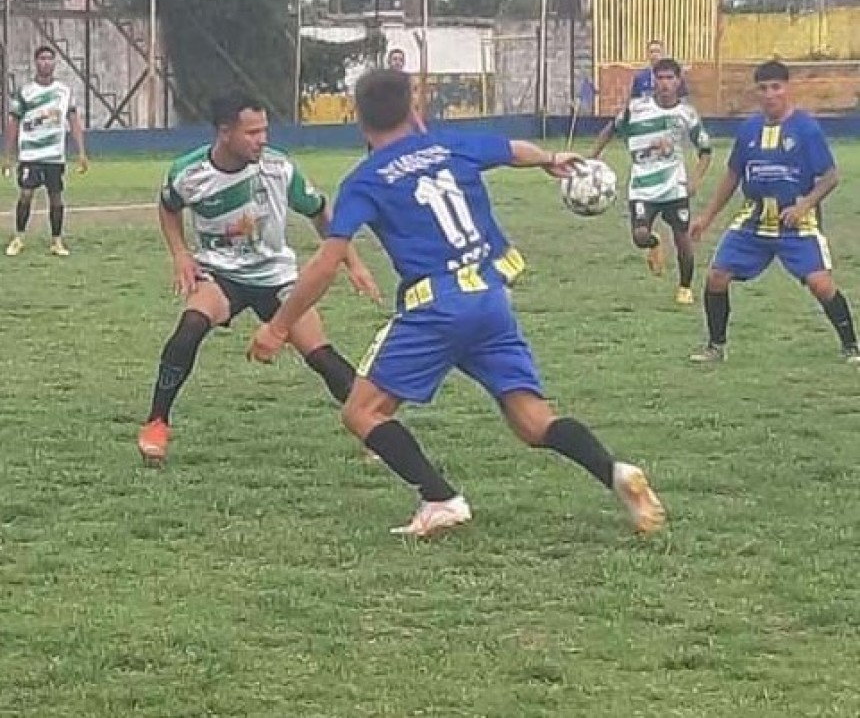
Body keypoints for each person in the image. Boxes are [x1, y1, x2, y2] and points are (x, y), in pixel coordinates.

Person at [248, 69, 666, 538]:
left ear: (359, 120)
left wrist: (279, 326)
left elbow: (325, 264)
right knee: (533, 421)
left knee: (361, 412)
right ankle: (615, 471)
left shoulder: (365, 180)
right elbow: (511, 151)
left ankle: (440, 499)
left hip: (438, 308)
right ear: (414, 112)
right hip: (491, 298)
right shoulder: (451, 144)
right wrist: (550, 158)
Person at [137, 92, 382, 466]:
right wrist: (181, 254)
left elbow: (321, 213)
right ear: (224, 132)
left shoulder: (279, 168)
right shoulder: (189, 172)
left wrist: (354, 262)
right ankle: (157, 422)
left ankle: (374, 431)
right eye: (252, 132)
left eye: (264, 130)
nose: (262, 139)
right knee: (189, 326)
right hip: (220, 274)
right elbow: (169, 207)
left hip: (277, 278)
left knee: (321, 356)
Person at [689, 60, 860, 363]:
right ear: (756, 92)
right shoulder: (748, 130)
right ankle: (715, 347)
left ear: (787, 89)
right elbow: (732, 176)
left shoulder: (806, 129)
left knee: (821, 284)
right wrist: (707, 217)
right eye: (763, 88)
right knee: (716, 277)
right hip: (753, 220)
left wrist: (804, 204)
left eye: (776, 87)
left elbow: (831, 176)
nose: (770, 94)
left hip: (796, 222)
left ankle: (851, 347)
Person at [592, 58, 712, 305]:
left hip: (674, 186)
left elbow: (706, 150)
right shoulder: (636, 108)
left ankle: (685, 288)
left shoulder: (686, 114)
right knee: (639, 236)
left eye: (670, 78)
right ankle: (654, 243)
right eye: (660, 78)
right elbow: (610, 130)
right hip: (642, 187)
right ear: (653, 81)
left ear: (679, 82)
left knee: (682, 237)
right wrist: (590, 159)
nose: (665, 83)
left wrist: (695, 179)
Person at [3, 45, 89, 256]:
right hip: (30, 155)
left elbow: (73, 121)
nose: (46, 62)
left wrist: (81, 152)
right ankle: (19, 238)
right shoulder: (24, 92)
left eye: (50, 59)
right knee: (25, 195)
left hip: (54, 156)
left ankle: (57, 241)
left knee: (56, 197)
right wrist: (7, 155)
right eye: (42, 58)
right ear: (35, 62)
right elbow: (13, 123)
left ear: (54, 63)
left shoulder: (64, 92)